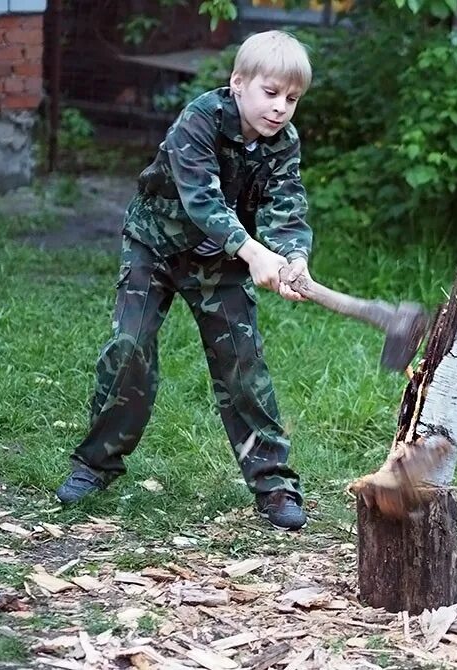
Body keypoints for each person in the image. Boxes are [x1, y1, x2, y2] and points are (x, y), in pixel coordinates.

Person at [55, 30, 314, 531]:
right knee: (129, 349)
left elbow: (287, 204)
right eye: (271, 92)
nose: (280, 107)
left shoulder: (283, 142)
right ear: (238, 83)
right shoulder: (198, 120)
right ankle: (93, 466)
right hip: (155, 245)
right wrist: (254, 252)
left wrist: (293, 257)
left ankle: (275, 484)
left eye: (292, 98)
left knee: (243, 364)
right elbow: (203, 202)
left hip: (220, 260)